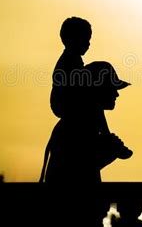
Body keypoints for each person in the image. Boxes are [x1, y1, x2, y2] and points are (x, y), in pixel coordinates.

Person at [41, 61, 131, 227]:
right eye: (111, 88)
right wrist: (111, 153)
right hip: (73, 214)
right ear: (98, 90)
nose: (116, 94)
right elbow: (78, 172)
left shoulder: (81, 120)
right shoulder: (79, 124)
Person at [50, 17, 132, 159]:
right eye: (84, 39)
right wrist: (108, 142)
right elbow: (92, 102)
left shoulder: (73, 62)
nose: (88, 44)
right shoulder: (70, 65)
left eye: (89, 39)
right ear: (70, 39)